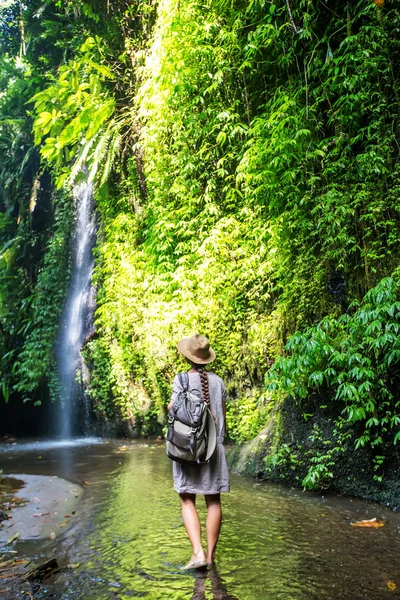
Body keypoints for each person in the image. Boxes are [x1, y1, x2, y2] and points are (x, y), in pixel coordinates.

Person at [168, 334, 230, 571]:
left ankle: (198, 554)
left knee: (187, 498)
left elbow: (173, 411)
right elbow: (222, 417)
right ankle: (211, 558)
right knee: (213, 499)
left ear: (188, 357)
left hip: (188, 449)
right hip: (213, 449)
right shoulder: (219, 382)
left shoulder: (181, 379)